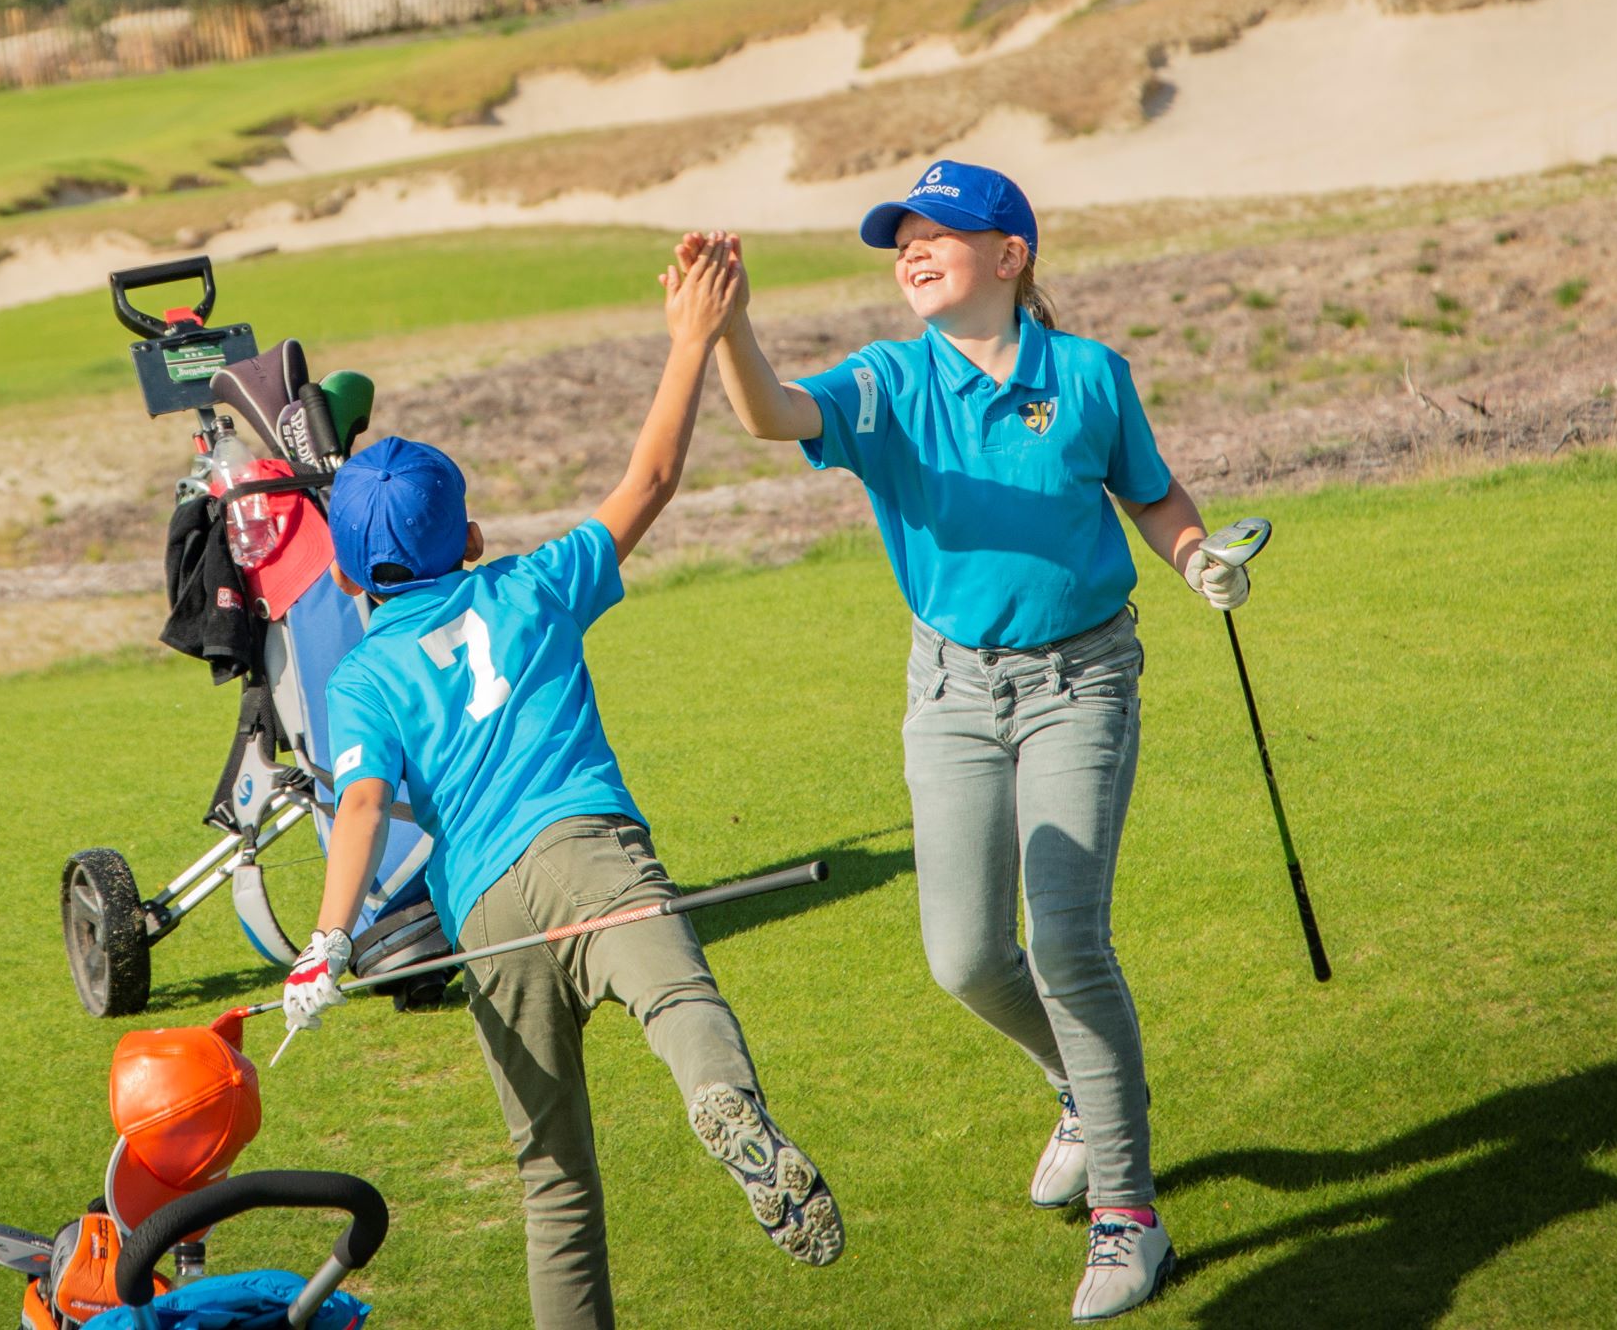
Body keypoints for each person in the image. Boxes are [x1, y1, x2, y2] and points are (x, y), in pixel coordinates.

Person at [680, 163, 1251, 1322]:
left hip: (1082, 677)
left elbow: (1151, 493)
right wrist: (731, 325)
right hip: (948, 689)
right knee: (966, 956)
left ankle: (1129, 1215)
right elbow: (770, 413)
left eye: (938, 232)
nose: (913, 250)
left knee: (1069, 940)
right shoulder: (890, 383)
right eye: (902, 239)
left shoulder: (1088, 375)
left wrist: (1198, 558)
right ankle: (1085, 1089)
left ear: (1010, 255)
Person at [279, 237, 842, 1330]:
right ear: (472, 537)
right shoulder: (534, 583)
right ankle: (722, 1102)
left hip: (485, 916)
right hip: (587, 851)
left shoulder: (362, 676)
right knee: (680, 1001)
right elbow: (651, 480)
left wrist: (327, 941)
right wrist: (691, 340)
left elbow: (362, 806)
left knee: (553, 1182)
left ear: (345, 576)